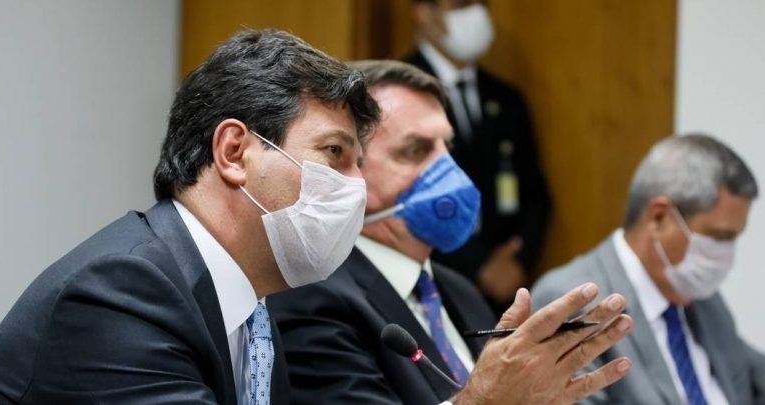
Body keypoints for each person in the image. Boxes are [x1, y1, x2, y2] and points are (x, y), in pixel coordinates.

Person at [0, 29, 381, 404]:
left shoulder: (253, 317)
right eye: (334, 152)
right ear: (233, 153)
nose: (358, 185)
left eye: (358, 164)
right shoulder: (122, 291)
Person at [269, 60, 633, 405]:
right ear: (348, 164)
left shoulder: (461, 291)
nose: (448, 168)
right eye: (416, 150)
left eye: (448, 147)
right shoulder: (309, 296)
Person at [532, 134, 765, 404]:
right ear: (659, 217)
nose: (727, 253)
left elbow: (751, 374)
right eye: (718, 237)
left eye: (734, 238)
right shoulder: (572, 302)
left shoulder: (699, 296)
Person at [404, 0, 552, 311]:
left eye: (481, 3)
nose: (475, 13)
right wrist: (479, 264)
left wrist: (515, 262)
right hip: (429, 287)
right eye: (461, 4)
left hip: (504, 295)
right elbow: (400, 196)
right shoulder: (398, 94)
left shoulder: (506, 98)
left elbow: (535, 195)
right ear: (424, 12)